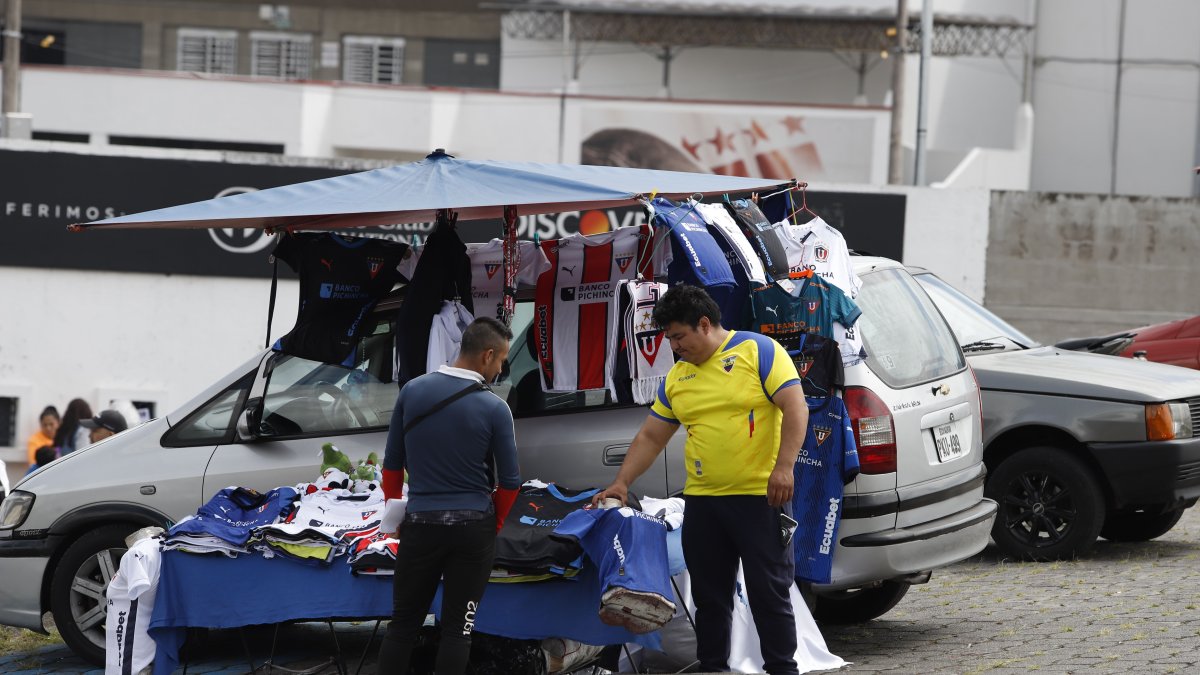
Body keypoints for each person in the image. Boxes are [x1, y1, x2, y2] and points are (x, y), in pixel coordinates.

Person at [593, 284, 809, 675]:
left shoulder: (758, 352)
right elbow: (651, 435)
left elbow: (795, 407)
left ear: (704, 324)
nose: (674, 347)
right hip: (704, 502)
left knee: (768, 592)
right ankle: (713, 668)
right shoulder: (678, 376)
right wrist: (621, 482)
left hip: (760, 498)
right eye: (669, 339)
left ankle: (782, 668)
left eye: (678, 336)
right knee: (710, 598)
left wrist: (784, 467)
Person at [377, 317, 522, 675]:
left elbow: (392, 468)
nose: (501, 368)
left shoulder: (412, 391)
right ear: (487, 355)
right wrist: (495, 523)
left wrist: (393, 516)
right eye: (502, 359)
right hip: (473, 529)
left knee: (402, 625)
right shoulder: (495, 408)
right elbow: (511, 483)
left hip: (421, 525)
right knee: (459, 630)